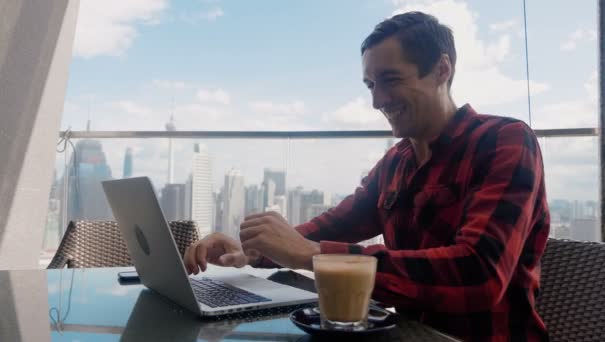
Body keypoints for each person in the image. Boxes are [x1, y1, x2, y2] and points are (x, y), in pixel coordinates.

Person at [184, 11, 550, 342]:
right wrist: (250, 251)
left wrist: (315, 255)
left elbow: (480, 273)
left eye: (391, 80)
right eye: (371, 85)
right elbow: (334, 226)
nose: (377, 101)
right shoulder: (395, 163)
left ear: (442, 70)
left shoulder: (506, 141)